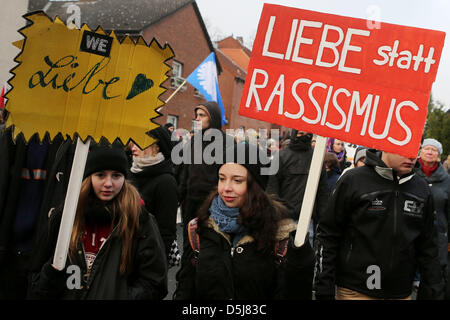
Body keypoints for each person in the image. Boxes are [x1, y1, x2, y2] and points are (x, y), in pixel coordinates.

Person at [174, 143, 315, 299]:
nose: (226, 188)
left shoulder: (280, 234)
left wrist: (301, 263)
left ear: (255, 185)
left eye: (237, 180)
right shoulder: (200, 227)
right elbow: (185, 287)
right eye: (222, 179)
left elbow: (294, 293)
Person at [31, 142, 168, 299]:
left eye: (116, 175)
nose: (108, 183)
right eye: (101, 175)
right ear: (89, 177)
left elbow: (154, 282)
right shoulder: (67, 216)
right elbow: (37, 278)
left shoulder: (139, 220)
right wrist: (51, 277)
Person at [314, 149, 445, 300]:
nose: (411, 156)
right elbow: (327, 235)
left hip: (401, 293)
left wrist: (433, 290)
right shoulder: (354, 180)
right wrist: (324, 288)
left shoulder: (421, 188)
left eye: (415, 150)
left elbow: (428, 246)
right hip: (356, 291)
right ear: (385, 147)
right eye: (404, 150)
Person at [178, 101, 233, 237]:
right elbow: (185, 172)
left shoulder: (228, 143)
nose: (197, 119)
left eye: (202, 115)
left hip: (214, 205)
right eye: (196, 115)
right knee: (189, 243)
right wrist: (179, 196)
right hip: (191, 203)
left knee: (209, 244)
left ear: (213, 117)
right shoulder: (194, 140)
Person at [129, 126, 180, 267]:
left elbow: (166, 232)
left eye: (140, 143)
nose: (133, 148)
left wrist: (155, 266)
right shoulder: (130, 174)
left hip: (148, 261)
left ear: (157, 147)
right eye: (133, 143)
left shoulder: (166, 182)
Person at [266, 130, 328, 239]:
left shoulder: (316, 158)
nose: (304, 137)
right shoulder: (281, 156)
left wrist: (324, 219)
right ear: (294, 134)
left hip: (307, 219)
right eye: (300, 133)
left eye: (308, 134)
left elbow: (322, 191)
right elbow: (272, 189)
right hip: (284, 217)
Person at [415, 138, 450, 298]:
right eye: (427, 148)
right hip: (410, 234)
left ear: (438, 155)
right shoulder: (410, 174)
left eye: (434, 150)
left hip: (437, 238)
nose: (430, 152)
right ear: (420, 152)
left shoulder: (447, 181)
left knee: (433, 280)